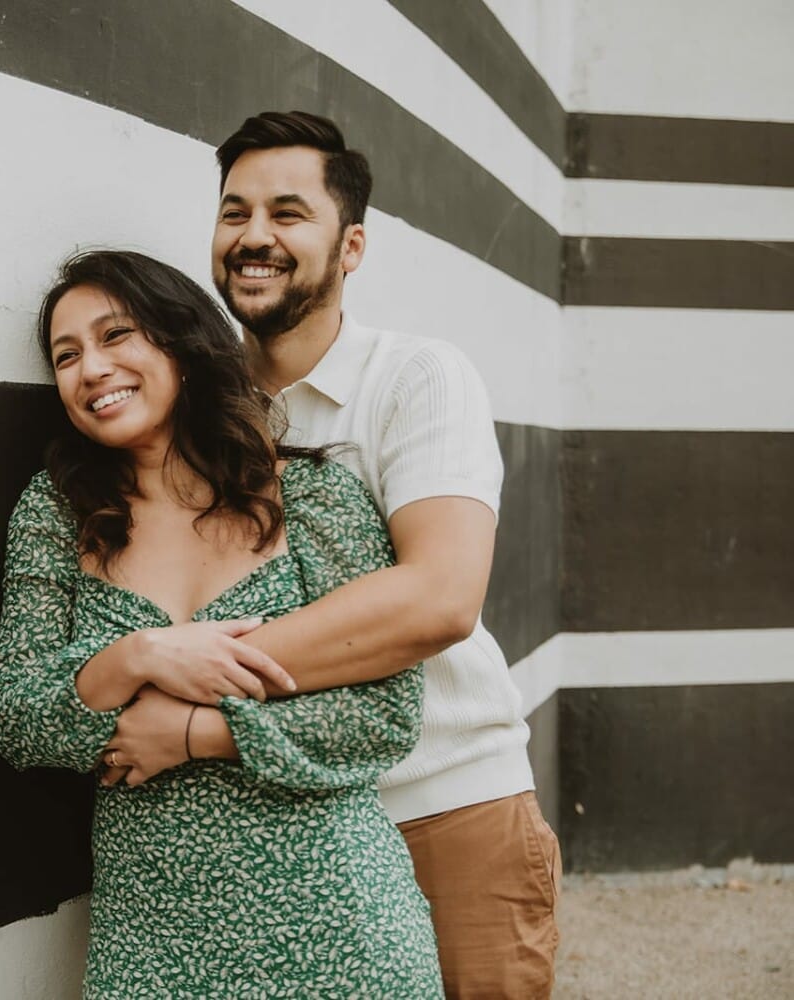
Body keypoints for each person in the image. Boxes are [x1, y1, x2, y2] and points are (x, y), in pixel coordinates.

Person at [0, 250, 442, 998]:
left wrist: (194, 734)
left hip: (340, 926)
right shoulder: (56, 513)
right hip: (154, 943)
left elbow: (384, 717)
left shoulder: (317, 497)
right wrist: (140, 656)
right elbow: (17, 715)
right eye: (66, 356)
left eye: (115, 336)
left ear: (182, 344)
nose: (90, 368)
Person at [178, 110, 560, 998]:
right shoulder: (193, 410)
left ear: (351, 247)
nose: (254, 237)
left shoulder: (417, 378)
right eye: (234, 213)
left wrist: (199, 702)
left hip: (442, 804)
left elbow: (437, 599)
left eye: (287, 212)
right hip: (281, 826)